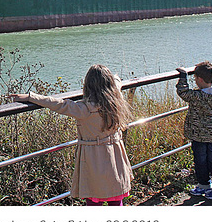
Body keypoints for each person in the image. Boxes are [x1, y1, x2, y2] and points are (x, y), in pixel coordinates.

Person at [11, 64, 133, 206]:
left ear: (88, 85)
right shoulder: (115, 101)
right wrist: (116, 79)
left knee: (94, 198)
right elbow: (117, 84)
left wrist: (31, 97)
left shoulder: (83, 109)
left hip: (93, 158)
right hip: (115, 155)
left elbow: (58, 104)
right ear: (109, 84)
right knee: (115, 197)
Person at [176, 61, 212, 200]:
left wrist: (183, 76)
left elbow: (183, 92)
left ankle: (205, 185)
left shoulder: (198, 96)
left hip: (198, 134)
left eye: (195, 78)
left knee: (200, 161)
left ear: (199, 79)